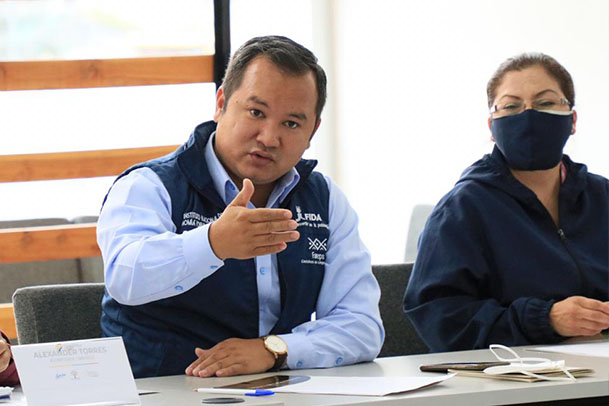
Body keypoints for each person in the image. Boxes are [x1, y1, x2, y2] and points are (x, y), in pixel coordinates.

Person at [98, 35, 384, 378]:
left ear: (312, 131)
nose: (269, 137)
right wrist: (213, 243)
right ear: (221, 104)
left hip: (278, 392)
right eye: (256, 112)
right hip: (159, 388)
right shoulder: (149, 185)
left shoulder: (324, 200)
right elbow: (125, 277)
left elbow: (362, 326)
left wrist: (274, 350)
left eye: (291, 123)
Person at [404, 53, 609, 352]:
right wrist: (545, 320)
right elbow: (440, 319)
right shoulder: (463, 209)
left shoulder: (602, 196)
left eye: (545, 103)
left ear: (572, 120)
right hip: (515, 373)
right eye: (512, 106)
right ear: (491, 126)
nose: (529, 116)